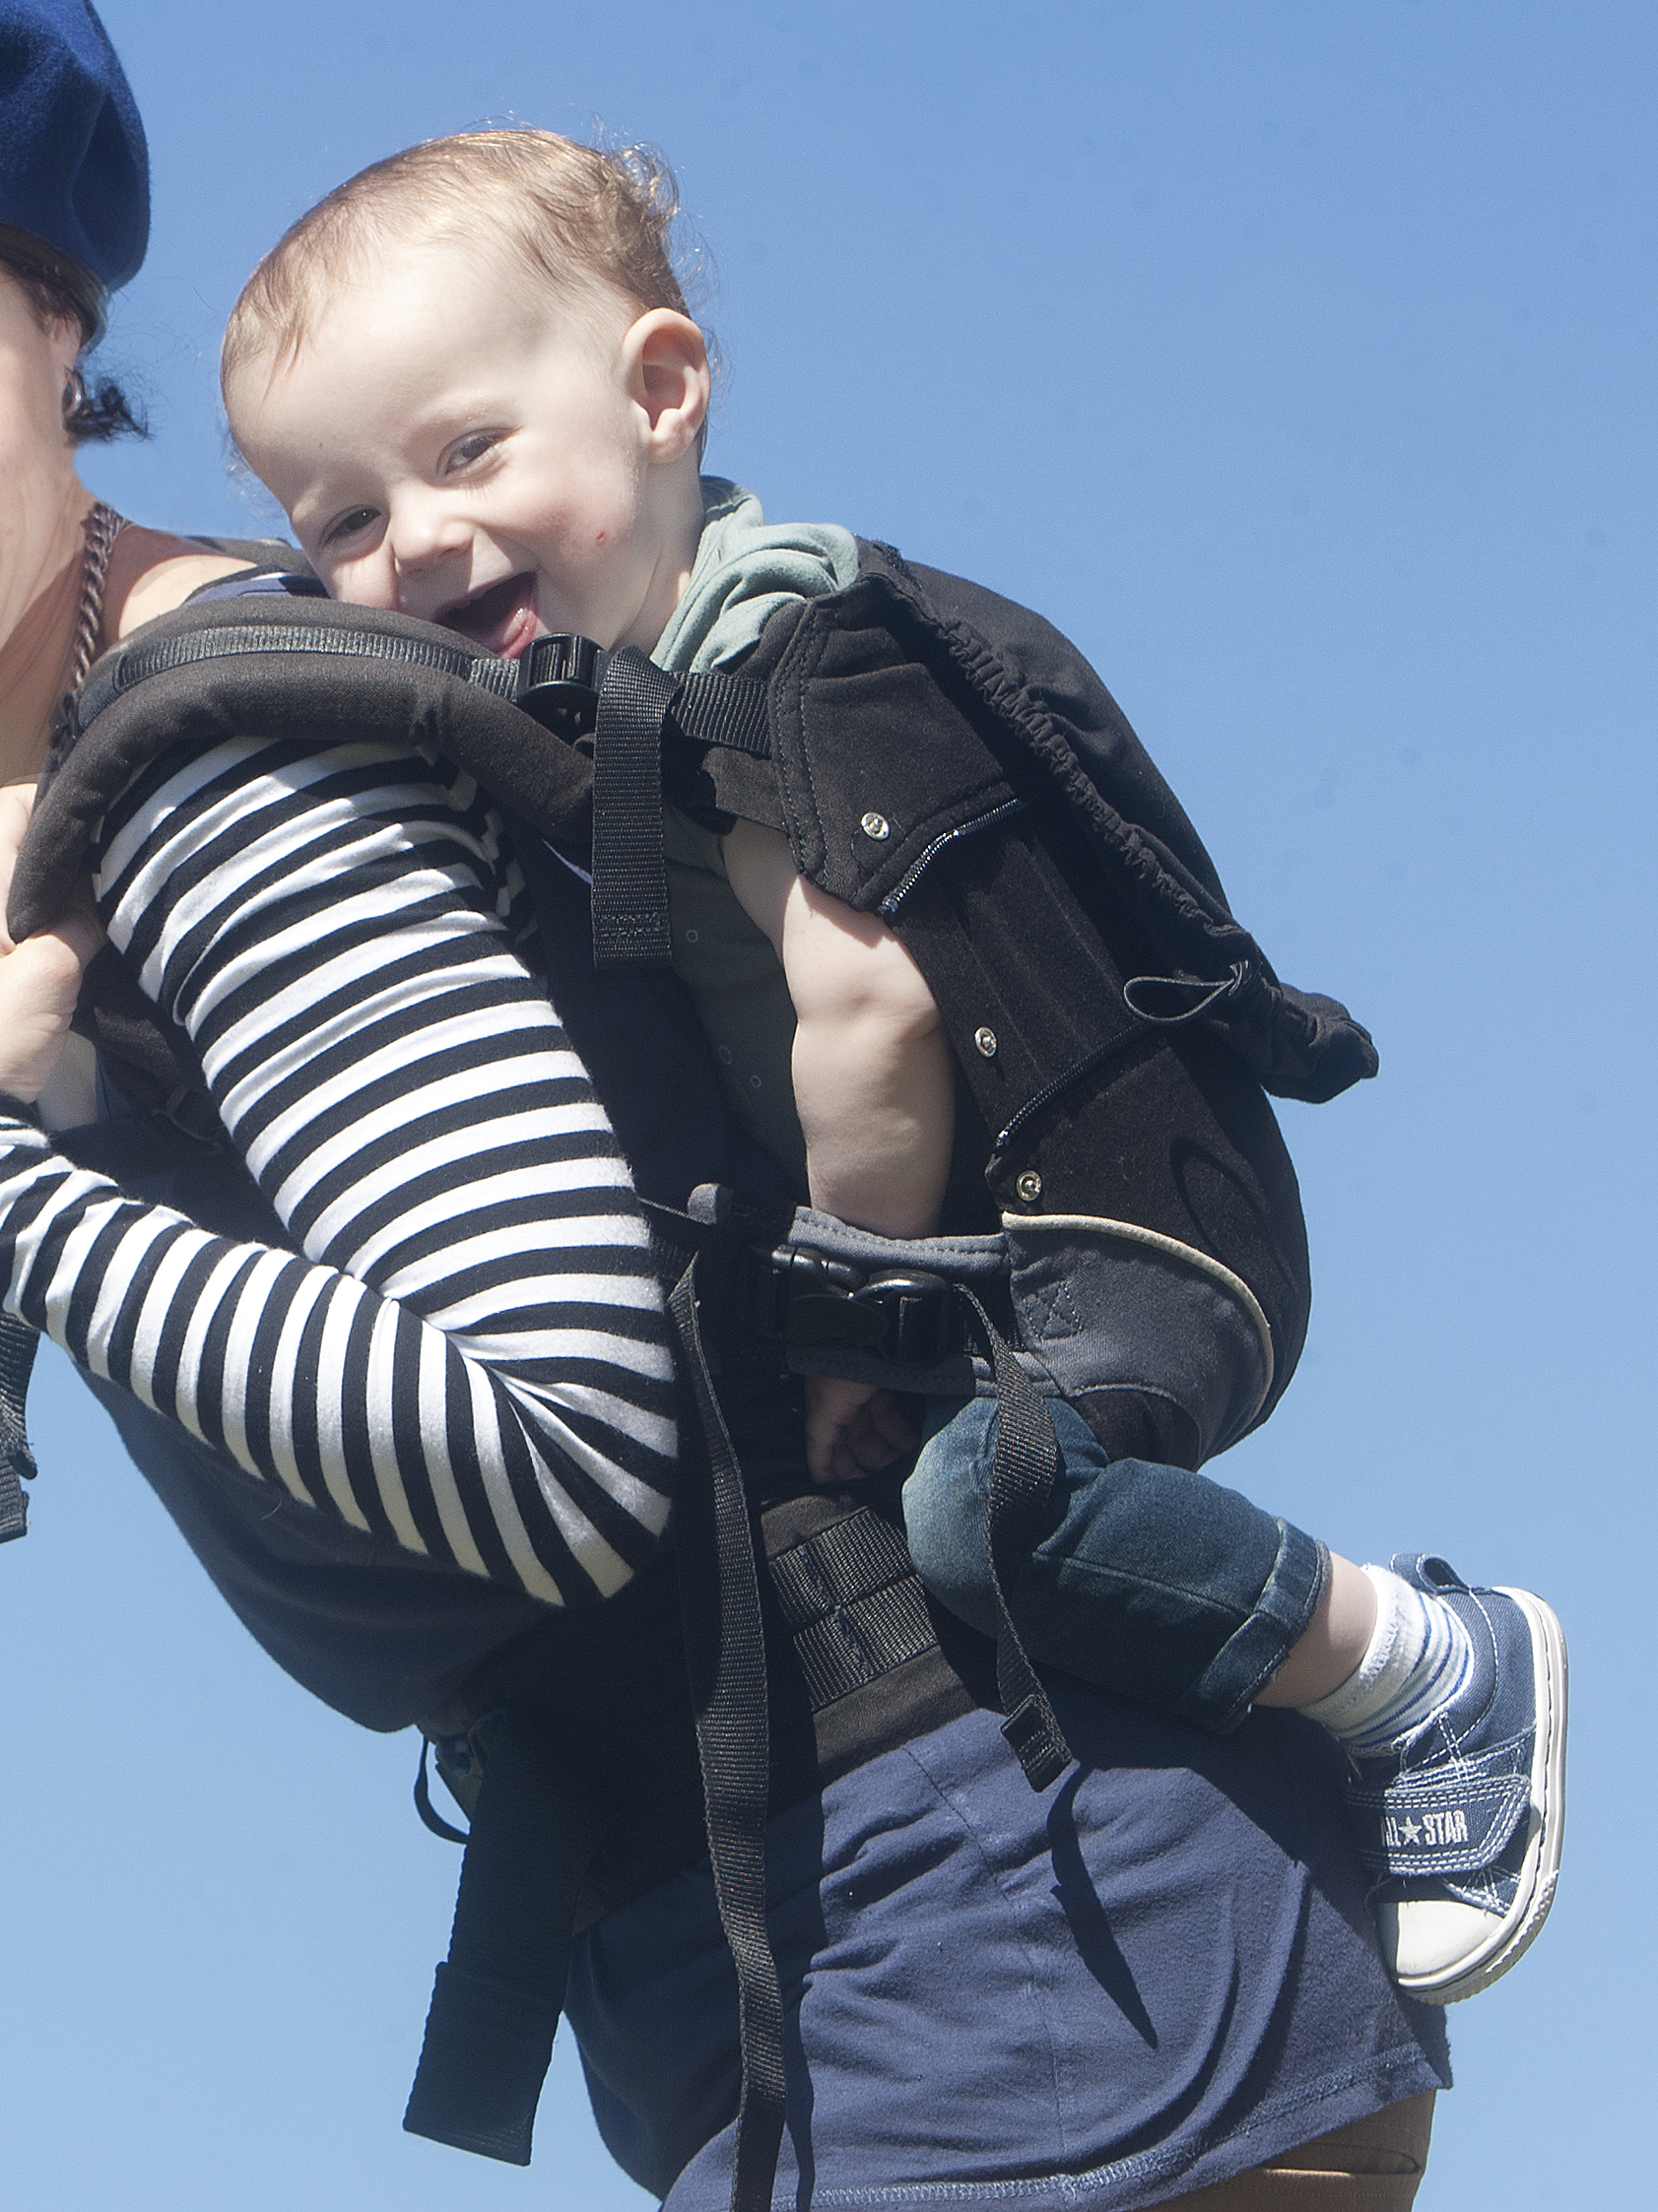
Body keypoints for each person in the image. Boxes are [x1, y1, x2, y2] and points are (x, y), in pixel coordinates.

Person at [0, 0, 1447, 2209]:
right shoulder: (27, 802)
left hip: (974, 1911)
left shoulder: (226, 773)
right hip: (887, 1920)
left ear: (54, 342)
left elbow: (550, 1444)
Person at [217, 127, 1564, 2010]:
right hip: (1017, 1240)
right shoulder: (630, 682)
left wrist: (853, 1322)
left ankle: (1417, 1662)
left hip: (1117, 1234)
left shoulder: (776, 660)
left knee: (978, 1512)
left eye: (466, 454)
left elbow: (875, 1017)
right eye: (341, 522)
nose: (417, 541)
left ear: (663, 392)